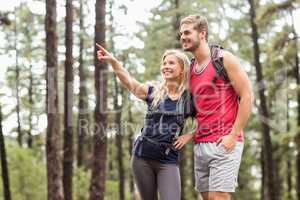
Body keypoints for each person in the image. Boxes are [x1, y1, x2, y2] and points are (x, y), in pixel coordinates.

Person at [96, 43, 195, 200]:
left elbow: (209, 121)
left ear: (182, 69)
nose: (166, 66)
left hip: (167, 161)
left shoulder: (189, 99)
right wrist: (114, 62)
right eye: (164, 63)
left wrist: (190, 135)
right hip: (142, 158)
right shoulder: (152, 91)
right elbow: (129, 81)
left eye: (171, 63)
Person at [178, 15, 254, 200]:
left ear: (202, 34)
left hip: (224, 142)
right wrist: (191, 134)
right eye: (181, 34)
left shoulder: (224, 59)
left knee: (218, 197)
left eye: (187, 32)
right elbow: (204, 112)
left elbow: (247, 96)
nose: (183, 37)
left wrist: (233, 135)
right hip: (200, 145)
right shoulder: (191, 70)